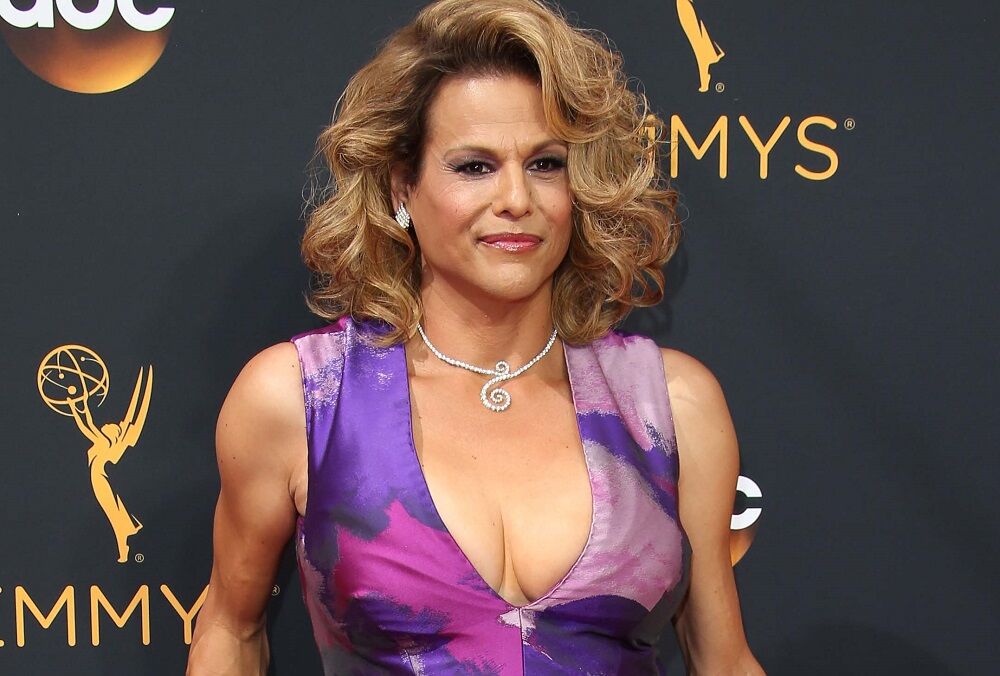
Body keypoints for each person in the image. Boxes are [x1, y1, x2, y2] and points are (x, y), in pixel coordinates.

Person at [187, 0, 765, 673]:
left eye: (546, 164)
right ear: (403, 186)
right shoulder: (301, 400)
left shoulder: (669, 405)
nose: (517, 198)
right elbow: (230, 629)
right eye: (474, 167)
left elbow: (723, 660)